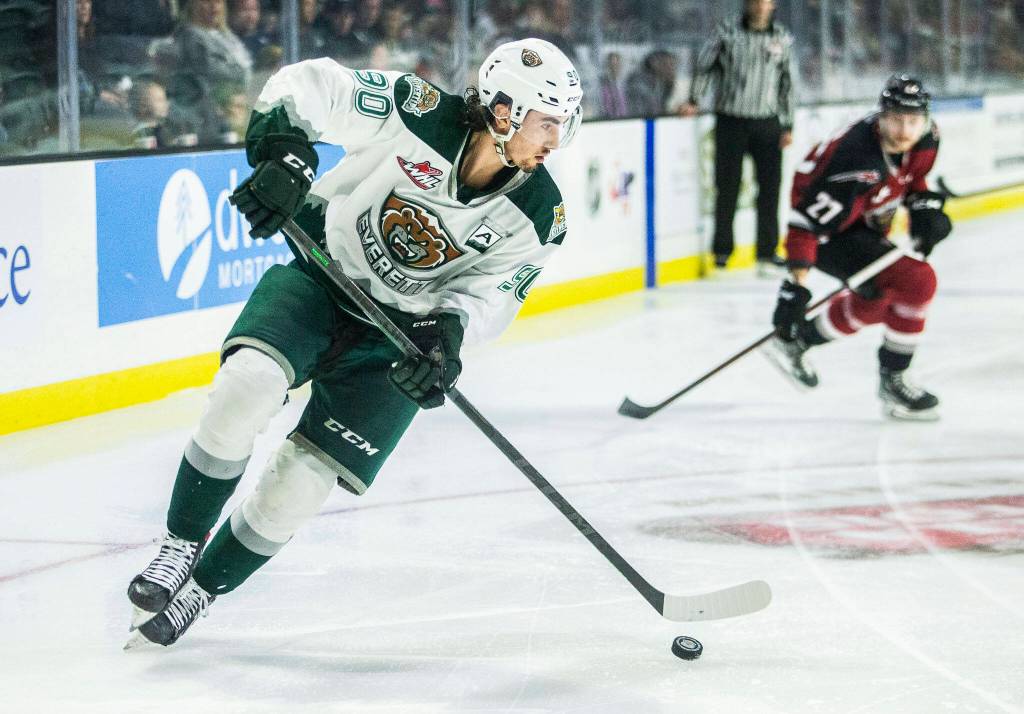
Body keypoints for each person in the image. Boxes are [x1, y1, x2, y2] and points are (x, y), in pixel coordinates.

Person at [125, 37, 583, 647]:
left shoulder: (541, 213)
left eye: (565, 123)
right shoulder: (415, 109)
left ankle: (203, 589)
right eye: (547, 121)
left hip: (397, 342)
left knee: (303, 481)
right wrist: (285, 156)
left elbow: (492, 296)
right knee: (246, 386)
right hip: (323, 275)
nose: (558, 139)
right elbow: (312, 87)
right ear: (503, 112)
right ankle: (178, 547)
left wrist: (448, 339)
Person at [762, 75, 953, 421]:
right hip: (830, 234)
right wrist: (795, 288)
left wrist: (923, 207)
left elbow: (913, 178)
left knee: (878, 298)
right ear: (881, 116)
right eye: (896, 119)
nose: (905, 130)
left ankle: (800, 340)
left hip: (862, 221)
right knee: (917, 281)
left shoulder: (928, 137)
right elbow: (805, 224)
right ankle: (894, 379)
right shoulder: (854, 161)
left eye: (913, 120)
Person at [681, 0, 795, 275]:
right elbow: (705, 65)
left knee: (769, 189)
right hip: (731, 120)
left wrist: (788, 124)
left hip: (767, 123)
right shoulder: (726, 32)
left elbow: (787, 83)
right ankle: (722, 251)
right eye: (754, 1)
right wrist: (694, 99)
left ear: (773, 5)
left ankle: (767, 253)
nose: (759, 6)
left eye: (764, 1)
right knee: (727, 187)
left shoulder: (782, 37)